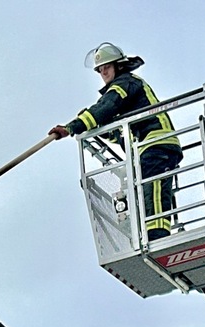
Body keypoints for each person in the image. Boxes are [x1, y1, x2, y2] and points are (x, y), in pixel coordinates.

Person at [48, 42, 183, 241]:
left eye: (107, 68)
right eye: (100, 70)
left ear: (119, 66)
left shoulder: (125, 83)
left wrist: (71, 127)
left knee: (152, 192)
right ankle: (154, 234)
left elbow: (106, 107)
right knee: (150, 193)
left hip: (155, 144)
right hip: (147, 147)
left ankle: (157, 237)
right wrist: (96, 128)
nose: (104, 73)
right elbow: (119, 132)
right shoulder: (126, 91)